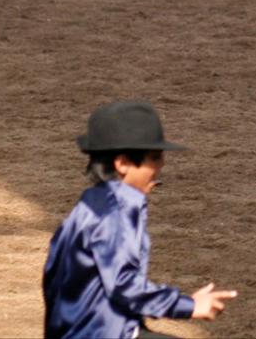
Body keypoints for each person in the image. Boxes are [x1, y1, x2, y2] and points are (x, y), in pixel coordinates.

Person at [43, 100, 238, 339]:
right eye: (154, 157)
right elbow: (124, 285)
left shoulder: (89, 206)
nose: (161, 164)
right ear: (122, 163)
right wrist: (189, 305)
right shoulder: (113, 215)